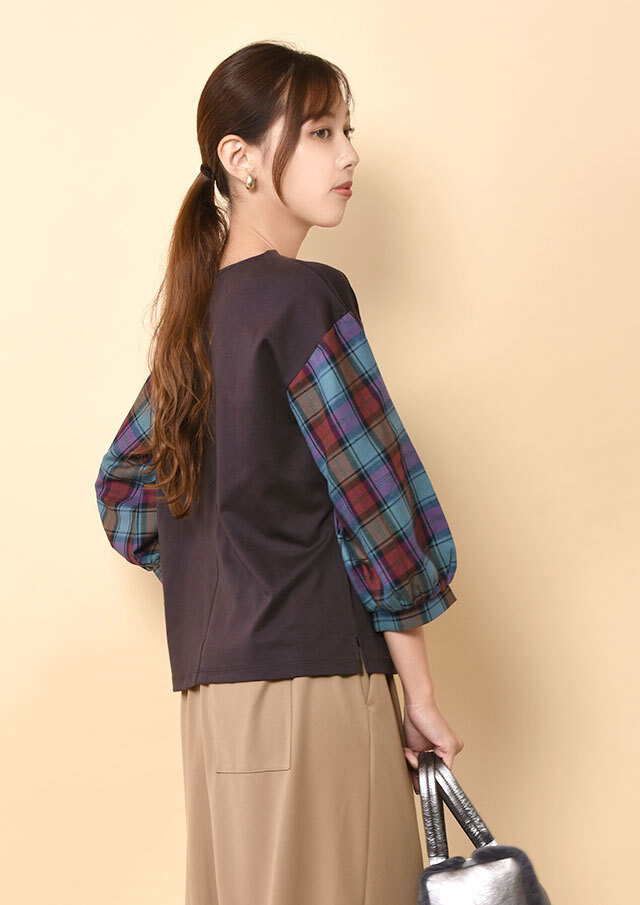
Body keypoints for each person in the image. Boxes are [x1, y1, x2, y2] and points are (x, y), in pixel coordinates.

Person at [94, 39, 464, 905]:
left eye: (346, 131)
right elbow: (377, 507)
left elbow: (122, 486)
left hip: (214, 708)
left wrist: (231, 562)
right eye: (322, 131)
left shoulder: (196, 319)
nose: (349, 154)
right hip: (316, 691)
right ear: (242, 158)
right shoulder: (304, 298)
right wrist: (419, 695)